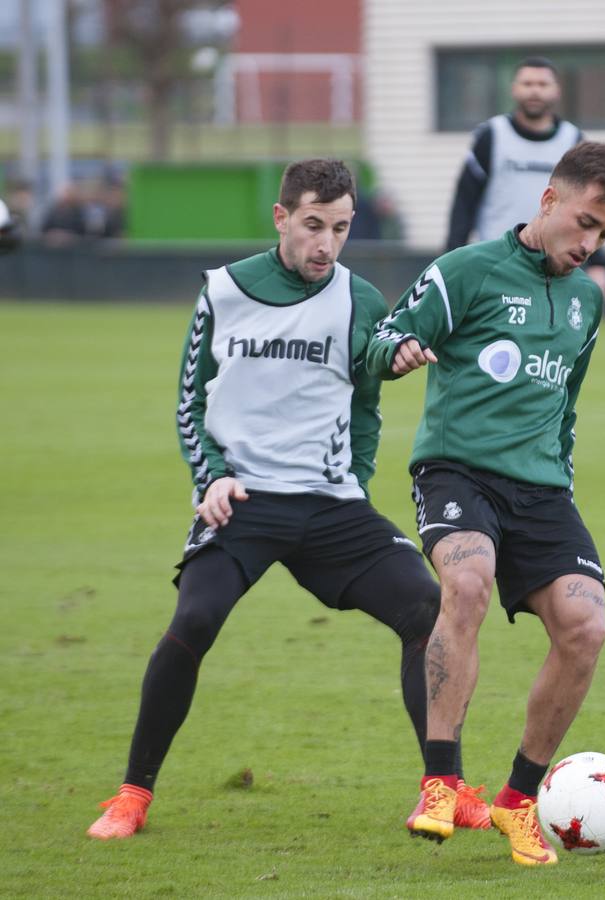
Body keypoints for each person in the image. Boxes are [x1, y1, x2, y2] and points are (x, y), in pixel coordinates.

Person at [86, 159, 443, 840]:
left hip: (331, 505)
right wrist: (211, 477)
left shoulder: (361, 298)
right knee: (194, 619)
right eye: (313, 225)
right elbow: (191, 402)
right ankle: (131, 796)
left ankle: (441, 789)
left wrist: (358, 474)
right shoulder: (224, 291)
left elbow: (367, 395)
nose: (325, 244)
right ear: (281, 218)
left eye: (340, 228)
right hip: (242, 499)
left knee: (425, 607)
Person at [367, 141, 605, 866]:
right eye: (584, 223)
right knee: (466, 580)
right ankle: (442, 781)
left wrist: (562, 481)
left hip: (542, 488)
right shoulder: (466, 271)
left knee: (586, 628)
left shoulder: (585, 300)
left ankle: (520, 802)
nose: (589, 245)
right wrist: (395, 355)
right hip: (458, 473)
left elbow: (567, 406)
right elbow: (388, 334)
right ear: (548, 200)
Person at [445, 56, 605, 298]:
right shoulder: (491, 136)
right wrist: (451, 259)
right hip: (498, 263)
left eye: (543, 85)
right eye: (527, 83)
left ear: (556, 91)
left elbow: (591, 208)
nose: (535, 91)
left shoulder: (572, 140)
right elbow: (464, 203)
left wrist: (599, 265)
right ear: (514, 89)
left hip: (557, 265)